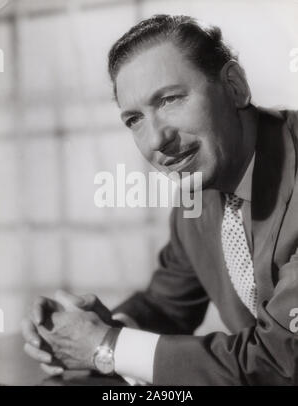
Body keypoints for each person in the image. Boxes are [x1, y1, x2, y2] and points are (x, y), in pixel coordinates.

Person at [21, 14, 298, 385]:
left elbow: (278, 362)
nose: (155, 141)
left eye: (169, 99)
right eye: (134, 119)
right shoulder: (197, 194)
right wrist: (85, 332)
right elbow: (167, 305)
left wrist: (107, 348)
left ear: (234, 86)